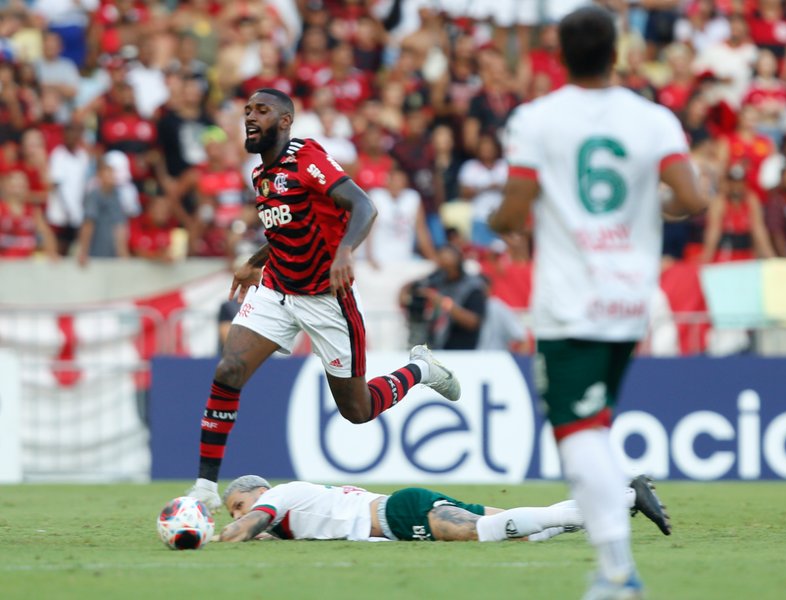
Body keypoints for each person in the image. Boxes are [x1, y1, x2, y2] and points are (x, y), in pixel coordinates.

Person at [489, 7, 707, 599]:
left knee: (577, 430)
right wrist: (645, 209)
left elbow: (514, 209)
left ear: (558, 55)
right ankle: (615, 561)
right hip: (631, 297)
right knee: (594, 421)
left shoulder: (537, 119)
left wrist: (498, 217)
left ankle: (617, 573)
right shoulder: (654, 119)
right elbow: (691, 195)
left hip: (571, 299)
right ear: (618, 53)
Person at [187, 89, 461, 512]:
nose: (250, 117)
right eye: (247, 111)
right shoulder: (261, 175)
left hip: (326, 296)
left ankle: (422, 368)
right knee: (229, 368)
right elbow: (286, 230)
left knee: (357, 409)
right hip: (278, 289)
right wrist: (253, 261)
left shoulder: (307, 158)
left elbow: (364, 206)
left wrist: (345, 251)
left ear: (285, 121)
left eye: (262, 110)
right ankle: (203, 490)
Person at [215, 473, 671, 544]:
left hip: (399, 514)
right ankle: (619, 498)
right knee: (526, 531)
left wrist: (212, 535)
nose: (238, 514)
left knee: (490, 533)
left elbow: (252, 525)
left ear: (260, 491)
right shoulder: (285, 512)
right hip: (399, 509)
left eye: (238, 504)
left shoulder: (279, 497)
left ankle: (628, 497)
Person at [400, 244, 487, 350]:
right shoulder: (438, 278)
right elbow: (413, 286)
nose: (445, 270)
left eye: (448, 266)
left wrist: (444, 303)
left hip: (462, 349)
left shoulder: (473, 287)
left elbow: (473, 322)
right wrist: (405, 295)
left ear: (458, 263)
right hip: (435, 346)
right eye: (441, 265)